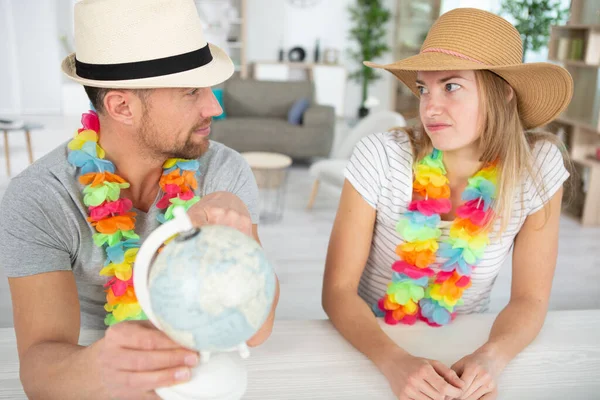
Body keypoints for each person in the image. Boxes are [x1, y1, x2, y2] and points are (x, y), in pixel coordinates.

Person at [0, 0, 279, 399]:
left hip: (204, 357)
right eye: (191, 92)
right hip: (95, 362)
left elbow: (256, 332)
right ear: (122, 106)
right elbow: (40, 375)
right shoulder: (39, 197)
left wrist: (241, 245)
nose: (214, 107)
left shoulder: (223, 171)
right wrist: (104, 365)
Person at [322, 8, 572, 400]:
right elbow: (337, 290)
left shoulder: (536, 167)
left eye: (451, 86)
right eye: (424, 88)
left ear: (503, 91)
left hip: (466, 339)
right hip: (373, 339)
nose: (430, 107)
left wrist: (491, 358)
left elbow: (531, 298)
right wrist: (393, 361)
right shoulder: (383, 156)